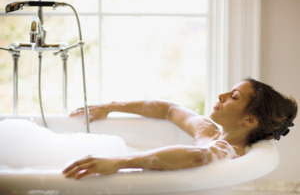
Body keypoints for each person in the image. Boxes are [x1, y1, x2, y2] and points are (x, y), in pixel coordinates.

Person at [63, 78, 297, 179]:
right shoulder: (210, 133)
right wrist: (110, 106)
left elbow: (198, 157)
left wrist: (118, 163)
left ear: (250, 120)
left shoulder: (229, 150)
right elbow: (169, 110)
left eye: (233, 97)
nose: (221, 95)